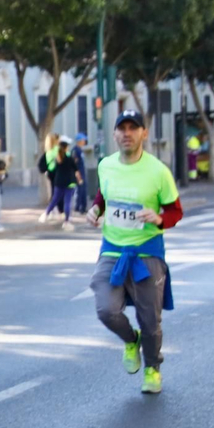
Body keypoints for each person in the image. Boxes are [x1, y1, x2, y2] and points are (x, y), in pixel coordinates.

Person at [85, 110, 182, 394]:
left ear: (143, 134)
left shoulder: (158, 171)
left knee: (150, 320)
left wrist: (160, 217)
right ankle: (131, 339)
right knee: (105, 310)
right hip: (112, 250)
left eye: (133, 128)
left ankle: (152, 368)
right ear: (115, 134)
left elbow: (175, 211)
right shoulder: (106, 166)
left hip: (146, 252)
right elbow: (103, 198)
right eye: (122, 128)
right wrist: (94, 211)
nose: (127, 133)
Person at [50, 139, 83, 230]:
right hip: (69, 182)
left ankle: (47, 213)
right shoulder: (69, 158)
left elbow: (53, 169)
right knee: (67, 202)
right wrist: (79, 180)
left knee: (55, 199)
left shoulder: (58, 159)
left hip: (59, 182)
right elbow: (76, 170)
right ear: (66, 148)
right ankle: (67, 221)